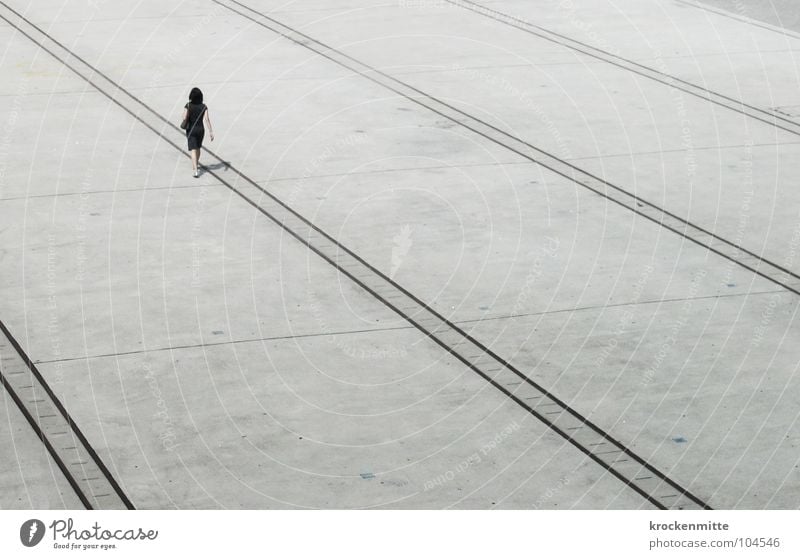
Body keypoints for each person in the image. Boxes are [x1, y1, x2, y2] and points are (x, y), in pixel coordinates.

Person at [182, 87, 214, 177]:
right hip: (200, 129)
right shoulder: (204, 106)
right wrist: (211, 131)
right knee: (198, 147)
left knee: (193, 149)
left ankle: (196, 170)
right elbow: (207, 119)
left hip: (191, 129)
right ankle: (196, 163)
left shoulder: (188, 105)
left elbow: (184, 117)